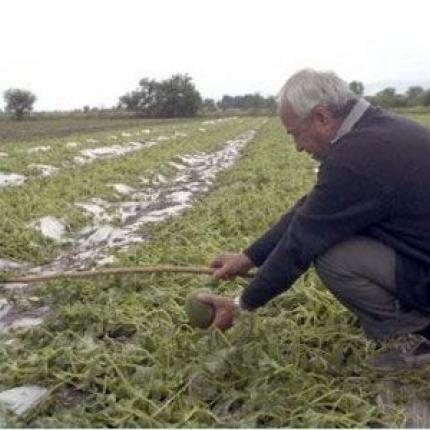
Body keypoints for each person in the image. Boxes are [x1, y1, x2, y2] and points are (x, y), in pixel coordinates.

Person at [198, 68, 430, 370]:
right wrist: (248, 258)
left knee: (334, 256)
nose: (297, 146)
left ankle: (419, 339)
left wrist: (242, 304)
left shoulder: (357, 156)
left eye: (295, 133)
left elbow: (301, 243)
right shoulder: (379, 130)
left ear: (322, 118)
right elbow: (308, 209)